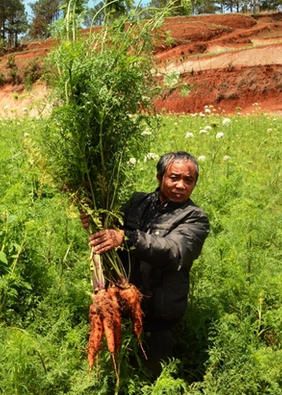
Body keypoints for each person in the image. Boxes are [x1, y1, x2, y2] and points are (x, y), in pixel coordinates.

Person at [85, 151, 210, 377]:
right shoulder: (137, 203)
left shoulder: (194, 218)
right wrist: (93, 221)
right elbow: (109, 231)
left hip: (159, 318)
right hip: (121, 309)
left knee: (155, 380)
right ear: (159, 177)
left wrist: (128, 237)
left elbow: (174, 252)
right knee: (120, 371)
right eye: (174, 177)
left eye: (188, 180)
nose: (181, 185)